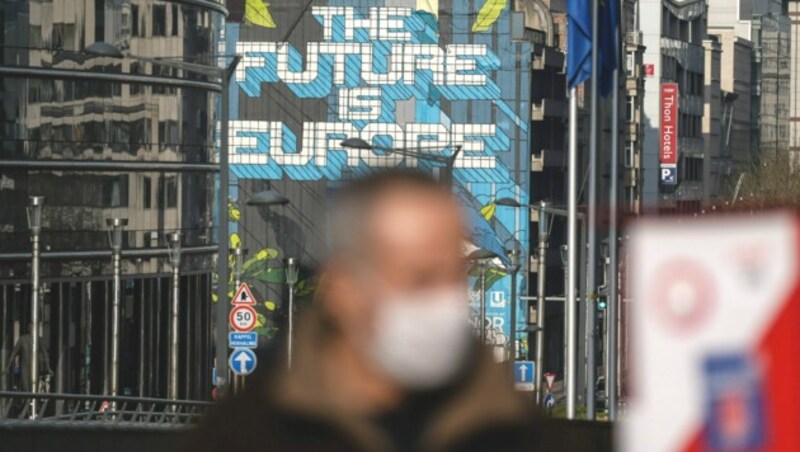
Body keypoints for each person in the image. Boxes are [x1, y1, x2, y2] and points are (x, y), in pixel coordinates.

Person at [181, 170, 601, 452]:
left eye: (455, 277)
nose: (445, 301)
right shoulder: (251, 434)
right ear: (345, 289)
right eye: (419, 279)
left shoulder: (518, 434)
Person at [8, 323, 52, 392]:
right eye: (31, 327)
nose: (32, 329)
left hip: (35, 366)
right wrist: (8, 366)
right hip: (24, 366)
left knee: (34, 387)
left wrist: (48, 367)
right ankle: (27, 400)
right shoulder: (22, 339)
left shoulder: (38, 340)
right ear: (28, 329)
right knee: (26, 386)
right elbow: (14, 353)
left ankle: (31, 400)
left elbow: (45, 354)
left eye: (33, 328)